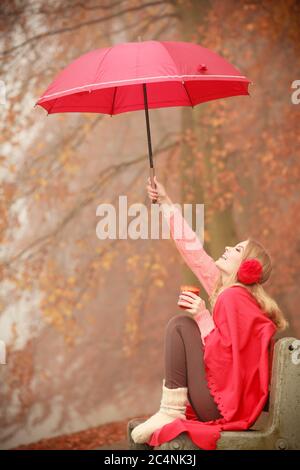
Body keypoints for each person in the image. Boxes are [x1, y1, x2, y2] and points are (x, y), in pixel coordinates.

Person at [131, 176, 289, 450]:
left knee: (181, 326)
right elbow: (192, 249)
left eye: (237, 249)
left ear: (246, 267)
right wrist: (166, 202)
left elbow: (225, 361)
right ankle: (170, 410)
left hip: (220, 406)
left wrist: (203, 316)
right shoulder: (228, 290)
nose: (228, 248)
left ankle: (170, 410)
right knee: (181, 324)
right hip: (222, 402)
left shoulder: (233, 297)